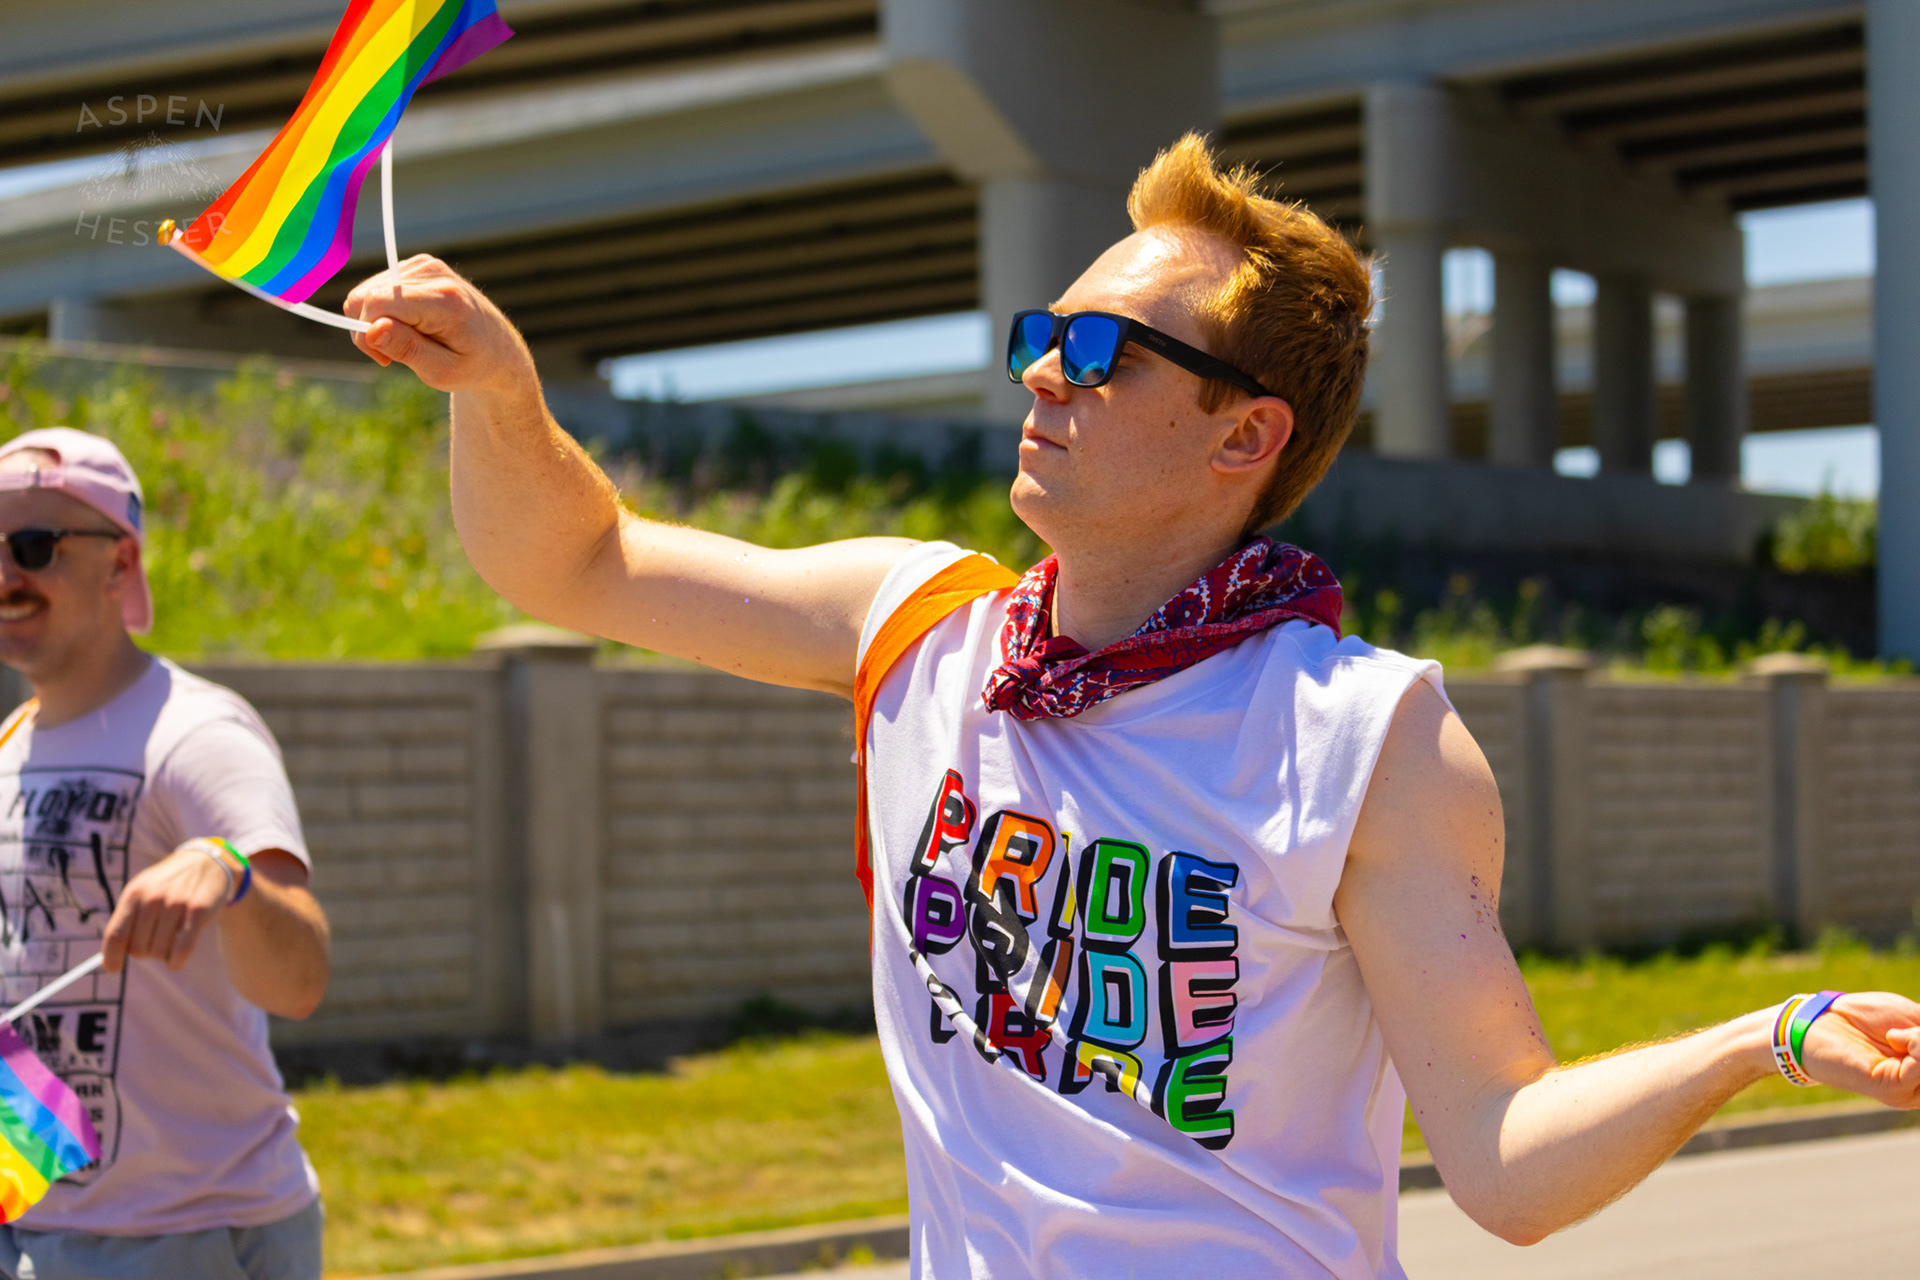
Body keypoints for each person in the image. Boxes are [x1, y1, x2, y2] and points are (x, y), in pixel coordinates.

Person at [345, 135, 1920, 1277]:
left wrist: (1760, 1037)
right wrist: (500, 397)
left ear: (1245, 438)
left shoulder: (1364, 738)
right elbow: (579, 561)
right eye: (1042, 337)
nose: (1042, 375)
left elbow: (1502, 1163)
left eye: (1100, 352)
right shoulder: (920, 631)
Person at [0, 428, 330, 1279]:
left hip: (188, 1239)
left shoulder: (197, 735)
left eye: (34, 546)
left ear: (120, 563)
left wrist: (227, 869)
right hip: (36, 1225)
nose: (6, 575)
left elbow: (298, 980)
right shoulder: (9, 747)